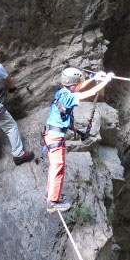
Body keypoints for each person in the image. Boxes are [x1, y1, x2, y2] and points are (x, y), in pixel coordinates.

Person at [43, 68, 112, 213]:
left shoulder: (63, 91)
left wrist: (94, 79)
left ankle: (51, 193)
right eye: (79, 83)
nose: (80, 85)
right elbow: (88, 93)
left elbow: (79, 88)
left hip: (52, 135)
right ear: (73, 85)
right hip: (55, 137)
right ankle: (52, 202)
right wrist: (104, 82)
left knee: (54, 166)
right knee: (58, 168)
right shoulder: (68, 97)